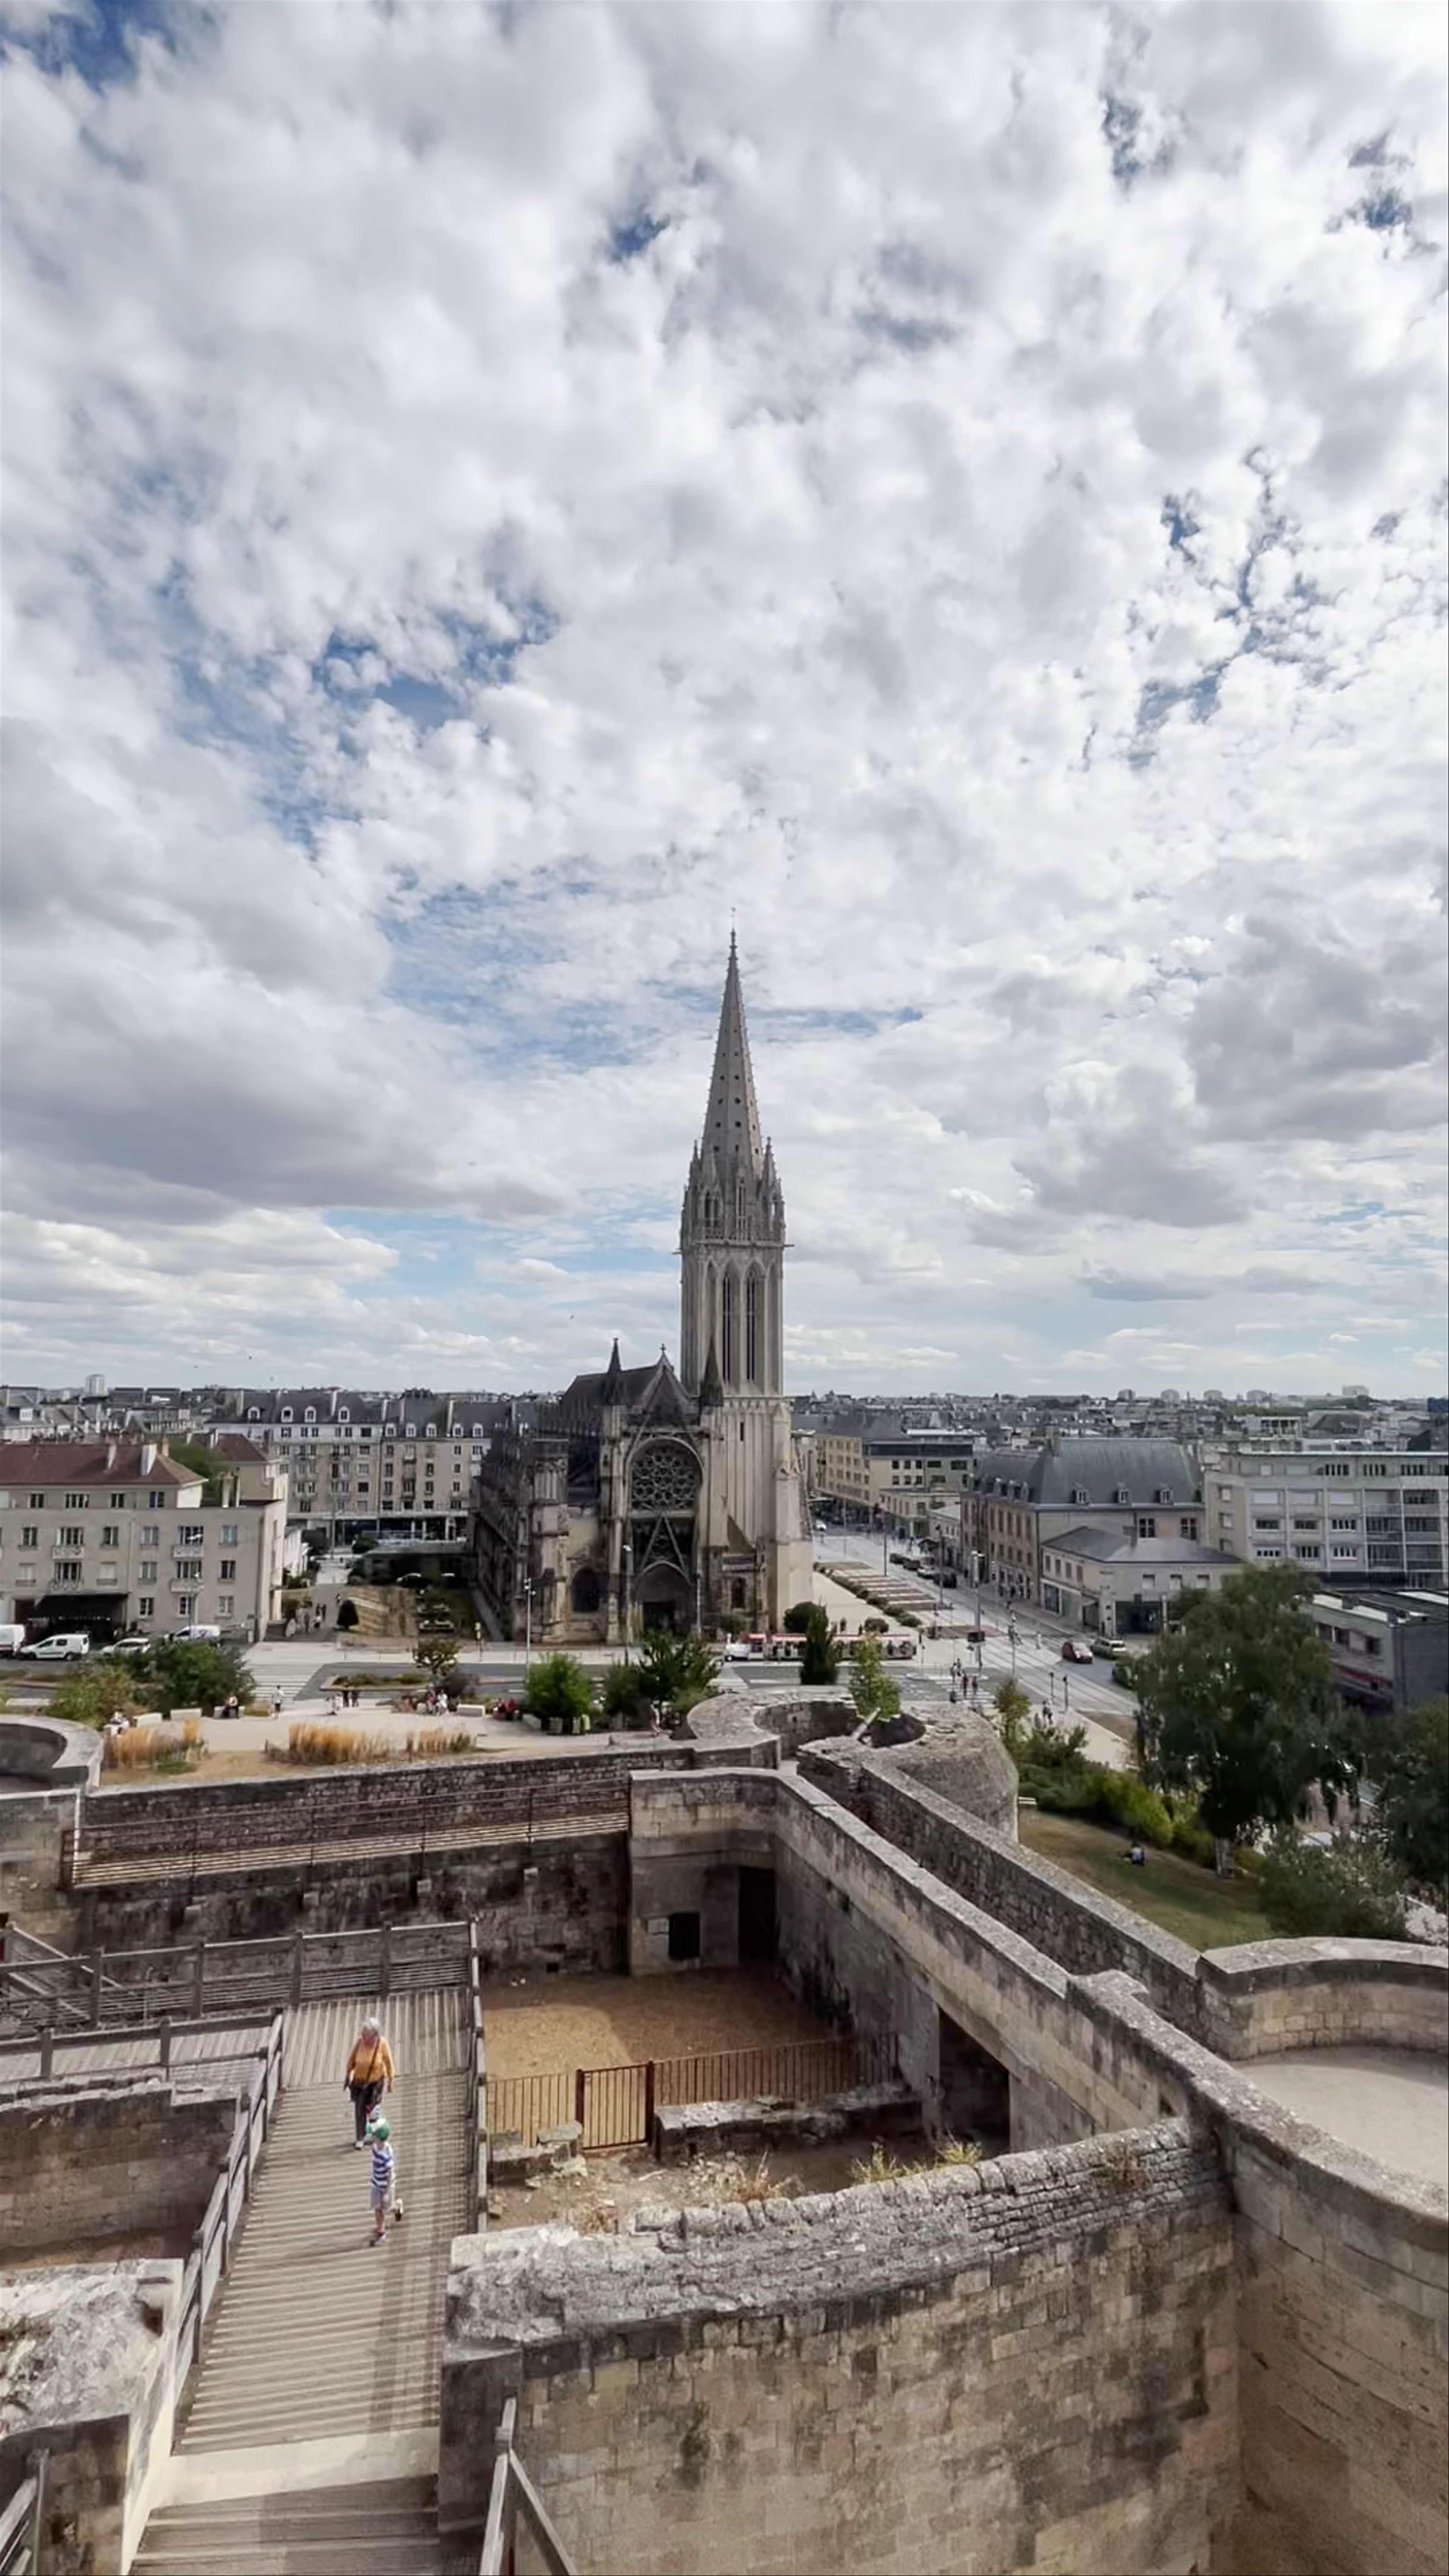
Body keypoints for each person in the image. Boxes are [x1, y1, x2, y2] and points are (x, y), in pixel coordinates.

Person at [344, 2016, 394, 2145]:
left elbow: (388, 2062)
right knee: (360, 2110)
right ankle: (360, 2138)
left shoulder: (382, 2044)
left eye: (366, 2035)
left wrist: (390, 2080)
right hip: (360, 2083)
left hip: (376, 2083)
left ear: (375, 2037)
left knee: (373, 2110)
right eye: (363, 2034)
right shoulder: (360, 2043)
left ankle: (374, 2134)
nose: (363, 2038)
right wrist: (348, 2075)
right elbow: (351, 2060)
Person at [365, 2113, 402, 2243]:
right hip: (376, 2183)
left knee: (388, 2206)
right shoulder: (375, 2147)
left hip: (386, 2185)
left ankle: (397, 2206)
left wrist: (387, 2191)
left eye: (374, 2135)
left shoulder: (386, 2154)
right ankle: (381, 2232)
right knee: (378, 2208)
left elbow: (390, 2172)